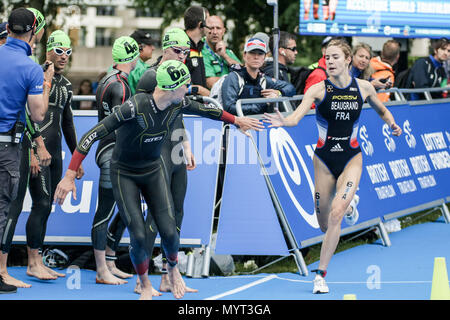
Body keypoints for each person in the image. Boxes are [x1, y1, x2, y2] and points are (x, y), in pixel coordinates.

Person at [54, 60, 263, 300]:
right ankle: (144, 284)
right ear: (172, 88)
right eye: (185, 85)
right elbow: (92, 134)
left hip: (152, 170)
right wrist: (70, 174)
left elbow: (208, 110)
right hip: (125, 173)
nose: (189, 89)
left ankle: (172, 270)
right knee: (139, 235)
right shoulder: (134, 107)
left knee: (170, 231)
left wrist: (237, 121)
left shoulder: (177, 104)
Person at [263, 39, 402, 294]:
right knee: (324, 224)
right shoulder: (317, 89)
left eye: (335, 57)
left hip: (351, 158)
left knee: (337, 213)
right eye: (327, 57)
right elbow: (295, 117)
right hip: (324, 161)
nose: (330, 61)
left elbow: (382, 110)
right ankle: (350, 204)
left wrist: (391, 123)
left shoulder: (363, 88)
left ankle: (320, 275)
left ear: (348, 60)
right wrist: (284, 121)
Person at [135, 27, 196, 295]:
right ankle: (141, 279)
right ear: (166, 49)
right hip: (155, 151)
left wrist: (186, 143)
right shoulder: (150, 76)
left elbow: (177, 111)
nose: (183, 56)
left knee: (177, 212)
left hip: (175, 150)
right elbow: (135, 115)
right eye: (178, 51)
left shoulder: (181, 74)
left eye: (187, 52)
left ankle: (167, 275)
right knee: (155, 216)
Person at [0, 7, 53, 294]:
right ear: (32, 31)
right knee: (5, 209)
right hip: (6, 147)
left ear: (7, 29)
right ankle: (1, 274)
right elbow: (38, 115)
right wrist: (45, 86)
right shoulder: (30, 66)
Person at [24, 30, 84, 281]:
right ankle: (31, 262)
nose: (63, 56)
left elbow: (67, 124)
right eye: (59, 51)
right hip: (37, 151)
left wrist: (75, 159)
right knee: (40, 203)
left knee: (47, 206)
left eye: (68, 52)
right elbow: (26, 115)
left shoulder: (67, 85)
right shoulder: (35, 75)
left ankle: (38, 259)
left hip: (56, 154)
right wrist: (31, 151)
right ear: (48, 50)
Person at [91, 36, 140, 286]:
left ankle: (109, 262)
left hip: (107, 148)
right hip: (113, 152)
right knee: (105, 212)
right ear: (132, 56)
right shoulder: (121, 85)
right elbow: (121, 125)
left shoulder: (106, 79)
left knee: (124, 208)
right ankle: (101, 270)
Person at [221, 37, 296, 115]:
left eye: (260, 53)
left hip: (260, 124)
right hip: (237, 125)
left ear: (264, 57)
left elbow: (291, 88)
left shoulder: (264, 80)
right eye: (252, 52)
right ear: (244, 55)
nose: (256, 57)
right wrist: (264, 103)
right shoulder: (234, 78)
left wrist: (278, 93)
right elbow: (229, 108)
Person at [202, 15, 241, 89]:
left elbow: (244, 72)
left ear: (223, 31)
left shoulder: (227, 52)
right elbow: (210, 82)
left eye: (218, 28)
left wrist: (225, 56)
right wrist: (237, 81)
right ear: (205, 30)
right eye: (211, 28)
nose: (215, 32)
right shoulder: (201, 51)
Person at [184, 5, 210, 96]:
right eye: (208, 21)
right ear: (201, 24)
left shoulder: (198, 46)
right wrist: (198, 90)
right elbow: (172, 86)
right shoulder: (181, 48)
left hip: (198, 105)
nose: (210, 26)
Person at [128, 29, 156, 95]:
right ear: (139, 47)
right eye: (149, 45)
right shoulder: (142, 69)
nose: (153, 48)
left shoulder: (117, 65)